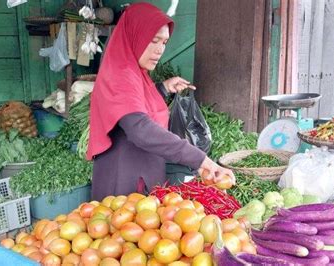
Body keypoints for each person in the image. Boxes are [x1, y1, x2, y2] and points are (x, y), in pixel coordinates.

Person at [86, 2, 235, 201]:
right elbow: (140, 128)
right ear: (134, 35)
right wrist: (199, 159)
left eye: (164, 43)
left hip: (142, 175)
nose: (159, 50)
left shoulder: (135, 72)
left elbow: (135, 102)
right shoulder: (121, 74)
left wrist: (162, 89)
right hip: (125, 185)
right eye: (154, 40)